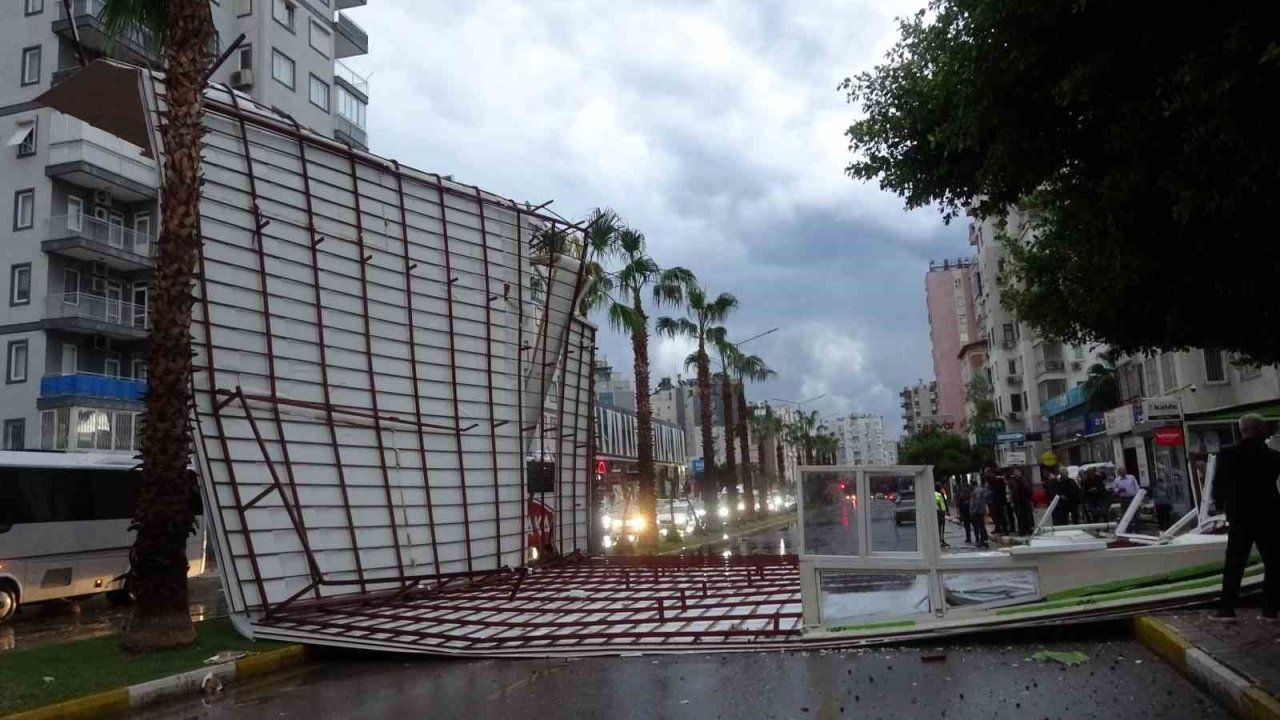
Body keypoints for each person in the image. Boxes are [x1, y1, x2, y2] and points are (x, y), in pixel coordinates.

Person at [1212, 414, 1280, 621]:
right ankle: (1270, 610)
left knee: (1234, 562)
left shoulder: (1227, 454)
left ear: (1242, 430)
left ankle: (1226, 609)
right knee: (1274, 562)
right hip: (1269, 514)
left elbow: (1219, 485)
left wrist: (1220, 505)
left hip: (1240, 515)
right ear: (1262, 431)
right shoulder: (1274, 456)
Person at [987, 468, 1009, 534]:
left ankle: (1004, 529)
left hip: (998, 501)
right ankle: (998, 528)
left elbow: (995, 492)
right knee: (996, 515)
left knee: (1000, 515)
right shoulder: (993, 481)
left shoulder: (997, 481)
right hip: (995, 501)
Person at [970, 479, 991, 548]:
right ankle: (985, 540)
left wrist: (973, 510)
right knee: (982, 525)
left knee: (980, 526)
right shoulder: (981, 489)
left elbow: (976, 502)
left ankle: (982, 541)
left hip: (978, 511)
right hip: (982, 510)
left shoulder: (976, 491)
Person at [956, 480, 974, 544]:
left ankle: (968, 538)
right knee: (974, 526)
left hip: (965, 513)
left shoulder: (961, 494)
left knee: (967, 526)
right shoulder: (971, 493)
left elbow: (958, 504)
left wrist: (959, 514)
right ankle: (977, 538)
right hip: (971, 512)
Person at [934, 482, 950, 547]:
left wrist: (944, 494)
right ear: (939, 488)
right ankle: (941, 541)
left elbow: (945, 499)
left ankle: (942, 540)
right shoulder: (937, 494)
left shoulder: (940, 494)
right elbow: (939, 503)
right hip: (940, 513)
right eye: (941, 487)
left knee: (941, 527)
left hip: (941, 512)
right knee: (941, 527)